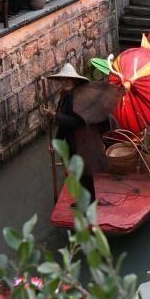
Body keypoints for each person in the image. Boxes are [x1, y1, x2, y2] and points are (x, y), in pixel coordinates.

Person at [42, 64, 102, 201]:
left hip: (82, 142)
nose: (66, 82)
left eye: (68, 79)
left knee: (84, 175)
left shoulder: (78, 98)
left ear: (74, 81)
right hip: (72, 142)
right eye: (63, 79)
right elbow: (63, 125)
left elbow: (76, 121)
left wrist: (55, 115)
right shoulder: (64, 97)